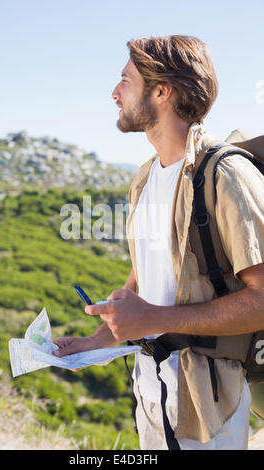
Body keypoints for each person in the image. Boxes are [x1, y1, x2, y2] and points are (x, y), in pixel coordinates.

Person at [53, 35, 264, 450]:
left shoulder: (226, 176)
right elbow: (143, 279)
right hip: (151, 393)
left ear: (162, 91)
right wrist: (96, 342)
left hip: (208, 407)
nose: (115, 93)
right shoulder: (145, 180)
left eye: (125, 81)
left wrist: (155, 319)